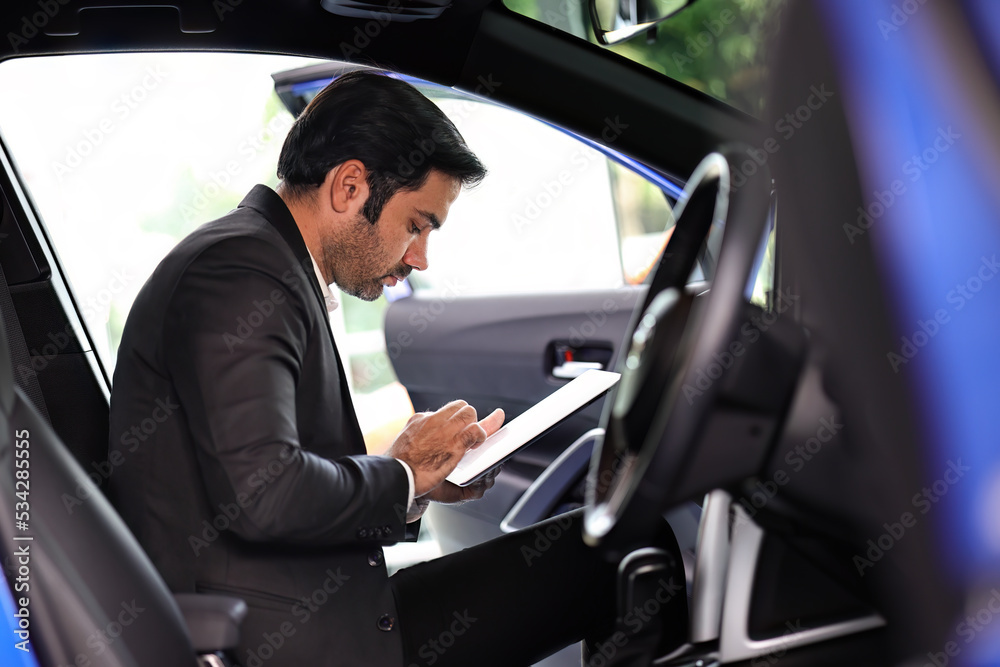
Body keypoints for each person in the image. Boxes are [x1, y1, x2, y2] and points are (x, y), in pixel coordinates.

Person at [108, 69, 685, 666]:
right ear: (350, 186)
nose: (420, 256)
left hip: (326, 617)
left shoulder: (266, 263)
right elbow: (266, 493)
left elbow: (271, 479)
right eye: (416, 225)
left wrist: (415, 482)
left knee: (613, 551)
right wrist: (405, 475)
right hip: (290, 644)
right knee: (626, 551)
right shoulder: (240, 270)